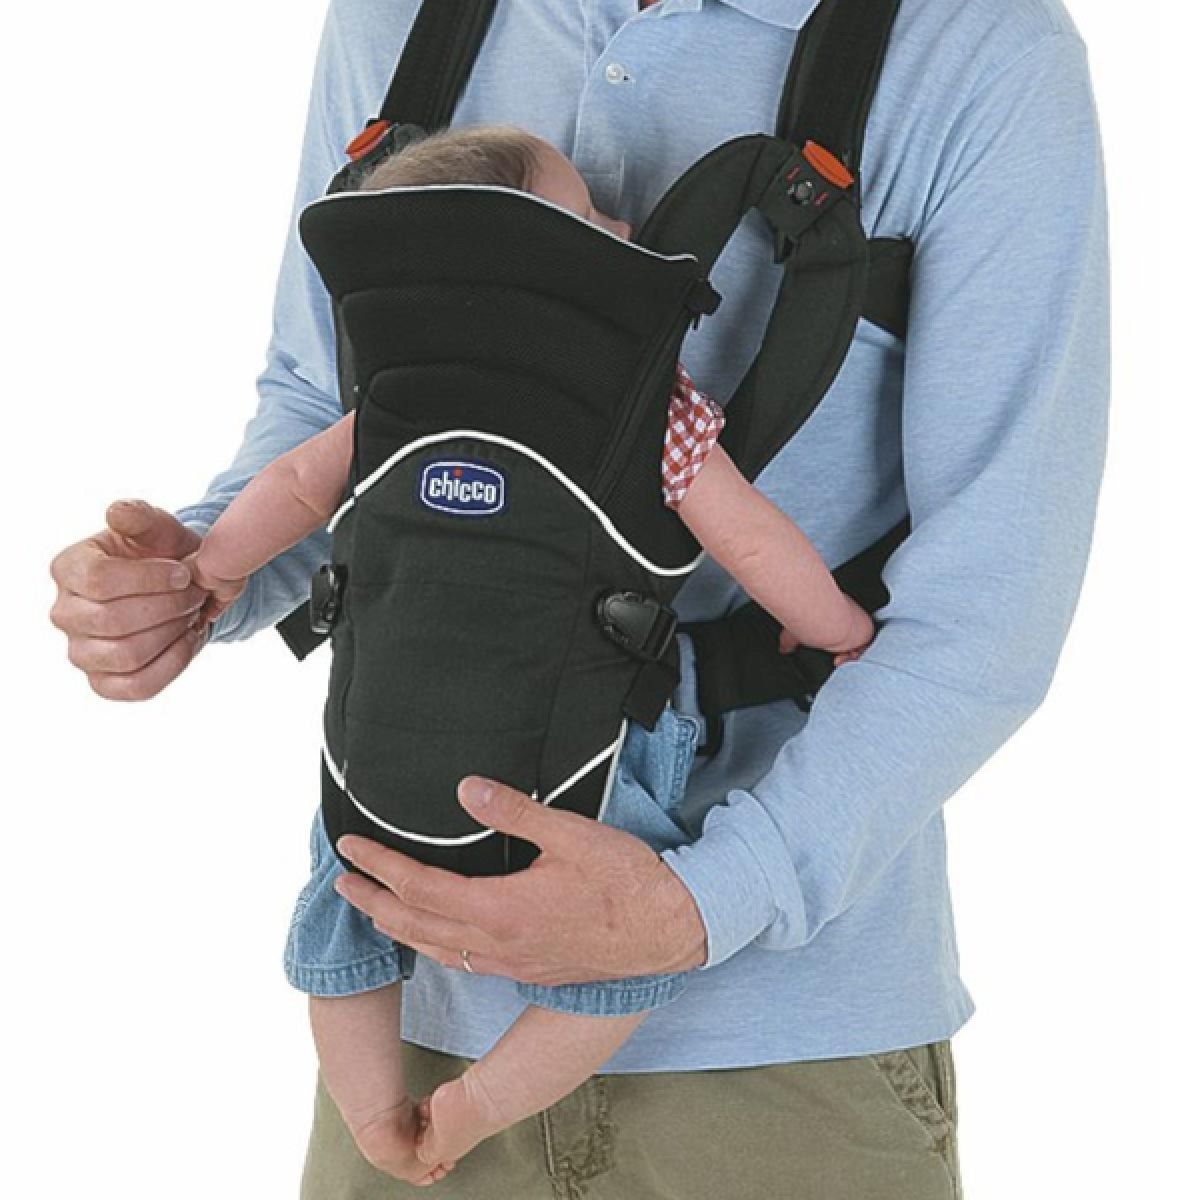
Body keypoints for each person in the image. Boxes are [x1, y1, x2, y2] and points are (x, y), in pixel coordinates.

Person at [48, 1, 1109, 1196]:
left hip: (775, 1048)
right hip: (425, 981)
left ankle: (406, 1099)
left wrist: (696, 907)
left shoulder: (972, 46)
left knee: (335, 917)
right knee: (360, 925)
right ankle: (410, 1108)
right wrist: (189, 583)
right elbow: (322, 406)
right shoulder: (399, 18)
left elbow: (990, 601)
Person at [184, 121, 875, 1181]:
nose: (624, 224)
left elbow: (287, 489)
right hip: (583, 771)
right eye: (590, 217)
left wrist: (215, 568)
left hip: (377, 767)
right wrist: (832, 627)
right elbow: (747, 535)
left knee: (344, 904)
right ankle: (474, 1106)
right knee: (618, 964)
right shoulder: (648, 407)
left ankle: (373, 1115)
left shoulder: (394, 399)